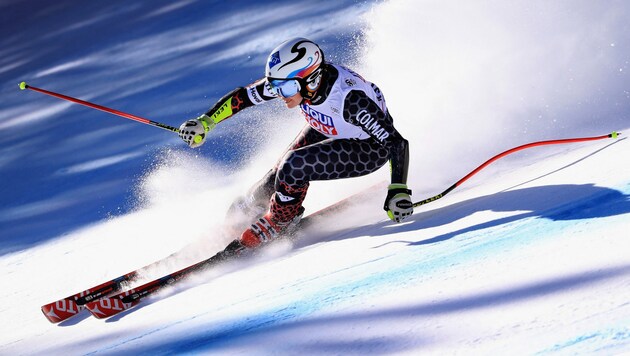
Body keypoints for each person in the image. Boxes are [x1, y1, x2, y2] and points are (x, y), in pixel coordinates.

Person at [178, 38, 413, 257]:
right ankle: (248, 213)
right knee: (271, 181)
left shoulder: (349, 99)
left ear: (311, 80)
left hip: (369, 148)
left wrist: (398, 189)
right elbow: (243, 97)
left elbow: (396, 143)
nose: (281, 95)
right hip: (329, 126)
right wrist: (206, 122)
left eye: (286, 90)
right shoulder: (293, 82)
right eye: (276, 88)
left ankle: (280, 221)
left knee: (294, 165)